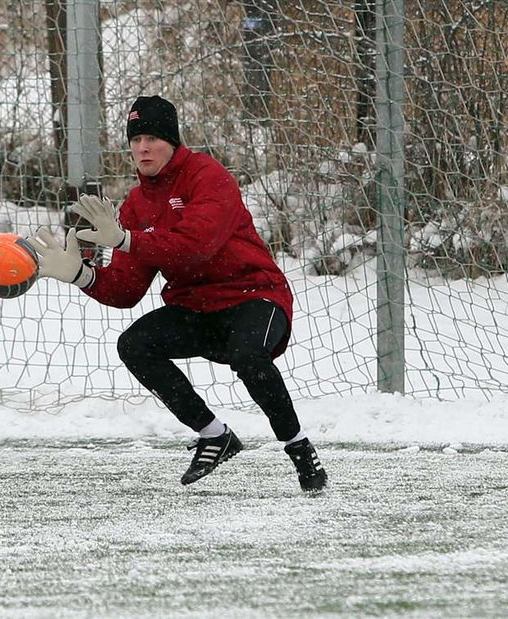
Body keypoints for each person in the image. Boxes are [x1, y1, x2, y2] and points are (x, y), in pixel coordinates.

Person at [29, 95, 327, 491]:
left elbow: (196, 246)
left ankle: (299, 448)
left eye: (152, 137)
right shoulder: (136, 204)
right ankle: (214, 435)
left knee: (247, 355)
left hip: (254, 296)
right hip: (196, 308)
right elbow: (127, 291)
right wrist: (82, 275)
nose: (142, 147)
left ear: (172, 141)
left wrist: (126, 239)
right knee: (134, 344)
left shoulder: (208, 175)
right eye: (135, 139)